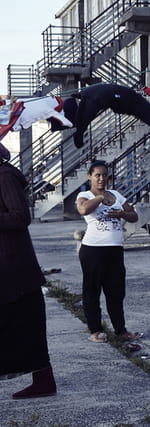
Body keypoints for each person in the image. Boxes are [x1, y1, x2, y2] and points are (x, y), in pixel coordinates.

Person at [0, 143, 57, 399]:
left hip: (16, 270)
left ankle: (44, 381)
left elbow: (21, 216)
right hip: (9, 268)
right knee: (20, 326)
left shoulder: (4, 176)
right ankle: (43, 380)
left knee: (28, 326)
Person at [76, 160, 142, 343]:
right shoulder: (85, 195)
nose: (101, 179)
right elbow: (82, 209)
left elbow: (134, 215)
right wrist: (99, 198)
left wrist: (121, 214)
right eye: (97, 175)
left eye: (105, 175)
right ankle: (95, 330)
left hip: (114, 251)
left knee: (116, 292)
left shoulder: (116, 195)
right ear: (90, 176)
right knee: (92, 291)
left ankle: (120, 330)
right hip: (93, 251)